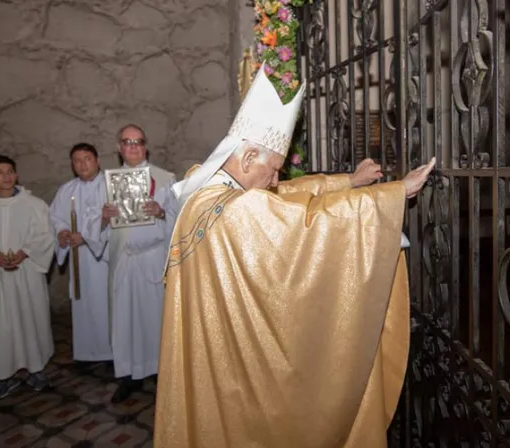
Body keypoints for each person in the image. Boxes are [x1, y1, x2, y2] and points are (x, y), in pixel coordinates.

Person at [153, 64, 435, 447]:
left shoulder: (211, 190)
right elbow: (300, 222)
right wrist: (394, 194)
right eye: (273, 170)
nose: (275, 181)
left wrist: (347, 182)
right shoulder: (235, 209)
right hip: (232, 373)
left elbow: (283, 199)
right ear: (249, 157)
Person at [100, 124, 179, 403]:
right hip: (123, 261)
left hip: (153, 258)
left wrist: (160, 212)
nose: (132, 146)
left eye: (138, 141)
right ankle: (129, 375)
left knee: (156, 319)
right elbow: (94, 228)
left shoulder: (165, 178)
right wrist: (103, 218)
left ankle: (162, 372)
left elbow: (180, 219)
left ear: (145, 146)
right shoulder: (106, 182)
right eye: (127, 141)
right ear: (119, 148)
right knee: (125, 320)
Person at [0, 155, 55, 398]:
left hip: (26, 273)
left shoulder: (35, 204)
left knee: (31, 318)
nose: (6, 176)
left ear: (17, 175)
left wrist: (25, 252)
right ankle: (1, 375)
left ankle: (36, 369)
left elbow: (45, 234)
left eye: (10, 171)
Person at [49, 143, 112, 365]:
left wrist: (86, 236)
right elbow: (56, 217)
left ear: (97, 161)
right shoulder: (67, 190)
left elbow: (116, 221)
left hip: (104, 259)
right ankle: (87, 353)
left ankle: (111, 354)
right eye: (77, 160)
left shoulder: (110, 185)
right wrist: (62, 232)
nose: (82, 164)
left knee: (106, 305)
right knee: (83, 304)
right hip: (80, 260)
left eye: (87, 159)